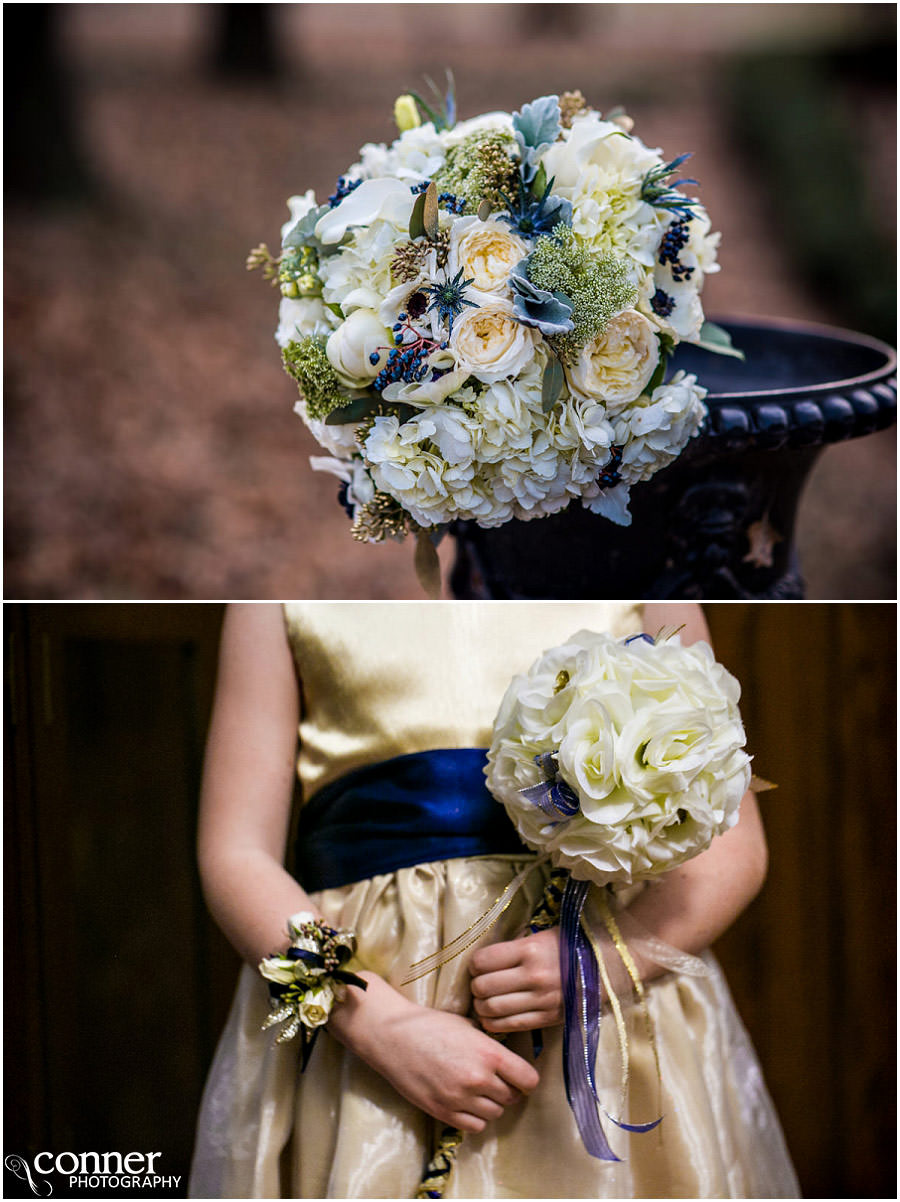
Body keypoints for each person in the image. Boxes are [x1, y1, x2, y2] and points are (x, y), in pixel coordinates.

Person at [189, 602, 799, 1198]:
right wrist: (376, 1022)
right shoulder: (276, 599)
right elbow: (237, 853)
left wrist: (600, 961)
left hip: (602, 1020)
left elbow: (733, 847)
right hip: (374, 1012)